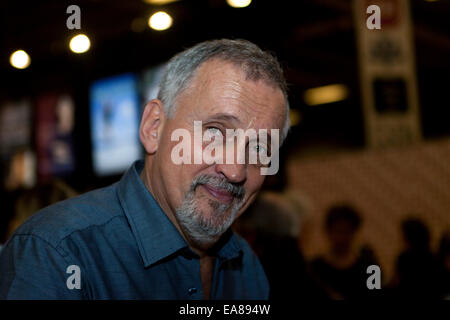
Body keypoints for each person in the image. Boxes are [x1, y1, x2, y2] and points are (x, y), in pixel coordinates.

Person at [0, 39, 290, 299]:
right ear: (154, 127)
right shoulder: (58, 253)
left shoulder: (247, 269)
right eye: (215, 132)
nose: (236, 170)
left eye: (259, 149)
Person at [309, 204, 379, 299]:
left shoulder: (370, 268)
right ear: (328, 232)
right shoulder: (314, 267)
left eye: (347, 232)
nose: (341, 238)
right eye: (338, 231)